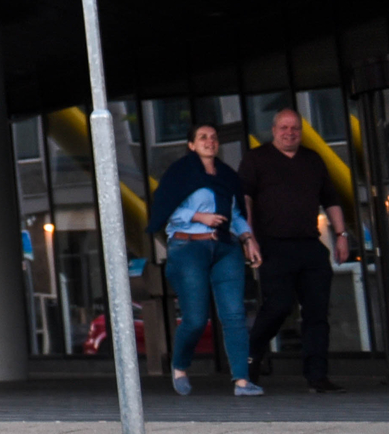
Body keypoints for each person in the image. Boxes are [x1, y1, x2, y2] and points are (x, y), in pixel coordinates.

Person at [240, 107, 352, 393]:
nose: (290, 133)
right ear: (274, 130)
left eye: (295, 129)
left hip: (310, 245)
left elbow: (331, 199)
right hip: (273, 245)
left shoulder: (313, 160)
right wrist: (248, 238)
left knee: (317, 312)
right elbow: (246, 201)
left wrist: (341, 235)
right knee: (277, 307)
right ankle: (248, 362)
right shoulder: (257, 159)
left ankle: (317, 376)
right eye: (284, 128)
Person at [149, 122, 256, 396]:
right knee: (196, 319)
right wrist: (199, 217)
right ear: (192, 145)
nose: (210, 141)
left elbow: (238, 215)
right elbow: (165, 210)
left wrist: (248, 239)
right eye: (203, 137)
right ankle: (180, 365)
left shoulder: (228, 176)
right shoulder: (180, 173)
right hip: (188, 247)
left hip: (225, 247)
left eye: (213, 137)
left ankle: (242, 381)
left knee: (234, 315)